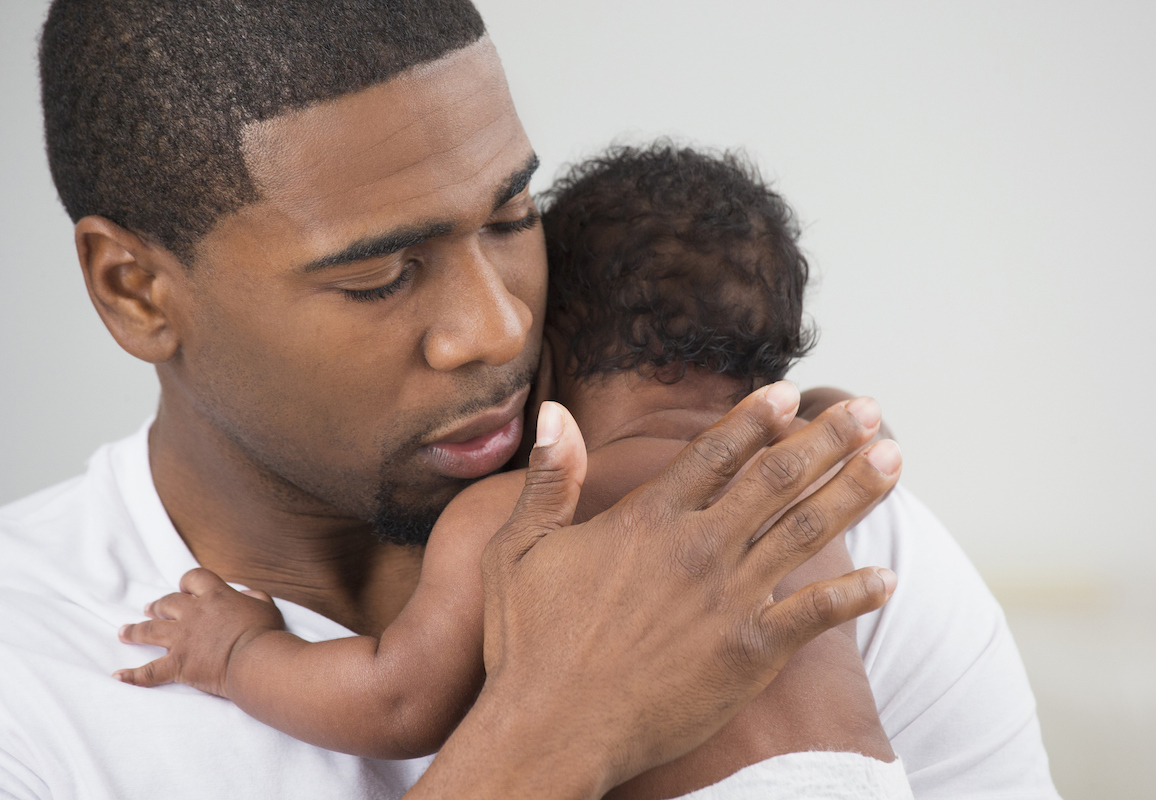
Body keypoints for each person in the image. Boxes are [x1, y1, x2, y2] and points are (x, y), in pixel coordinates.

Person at [0, 1, 1058, 798]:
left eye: (513, 218)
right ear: (136, 290)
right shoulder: (29, 683)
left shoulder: (794, 528)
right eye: (380, 273)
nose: (502, 327)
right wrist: (560, 723)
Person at [111, 143, 912, 798]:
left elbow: (398, 703)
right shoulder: (812, 477)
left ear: (550, 354)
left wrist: (239, 655)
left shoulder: (520, 514)